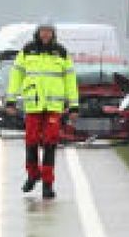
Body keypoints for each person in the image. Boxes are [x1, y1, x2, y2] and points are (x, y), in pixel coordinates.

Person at [5, 23, 79, 199]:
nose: (45, 35)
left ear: (53, 34)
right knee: (30, 142)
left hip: (53, 107)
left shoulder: (61, 52)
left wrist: (74, 105)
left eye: (49, 32)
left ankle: (47, 183)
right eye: (43, 31)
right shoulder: (27, 51)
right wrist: (11, 100)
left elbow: (70, 80)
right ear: (37, 33)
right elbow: (16, 76)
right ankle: (32, 175)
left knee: (50, 144)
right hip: (33, 105)